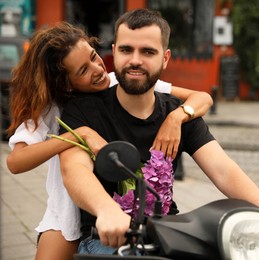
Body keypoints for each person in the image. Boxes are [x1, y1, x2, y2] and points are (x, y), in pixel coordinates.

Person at [58, 8, 259, 255]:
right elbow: (75, 170)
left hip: (168, 234)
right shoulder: (84, 110)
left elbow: (223, 170)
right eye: (126, 50)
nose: (135, 60)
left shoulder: (178, 112)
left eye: (148, 51)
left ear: (165, 58)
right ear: (114, 52)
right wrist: (106, 210)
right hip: (106, 240)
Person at [6, 21, 213, 260]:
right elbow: (16, 162)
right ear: (64, 83)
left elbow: (202, 98)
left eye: (94, 57)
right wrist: (80, 134)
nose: (97, 69)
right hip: (67, 212)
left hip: (117, 212)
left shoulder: (120, 81)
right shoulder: (52, 109)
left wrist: (176, 117)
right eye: (83, 70)